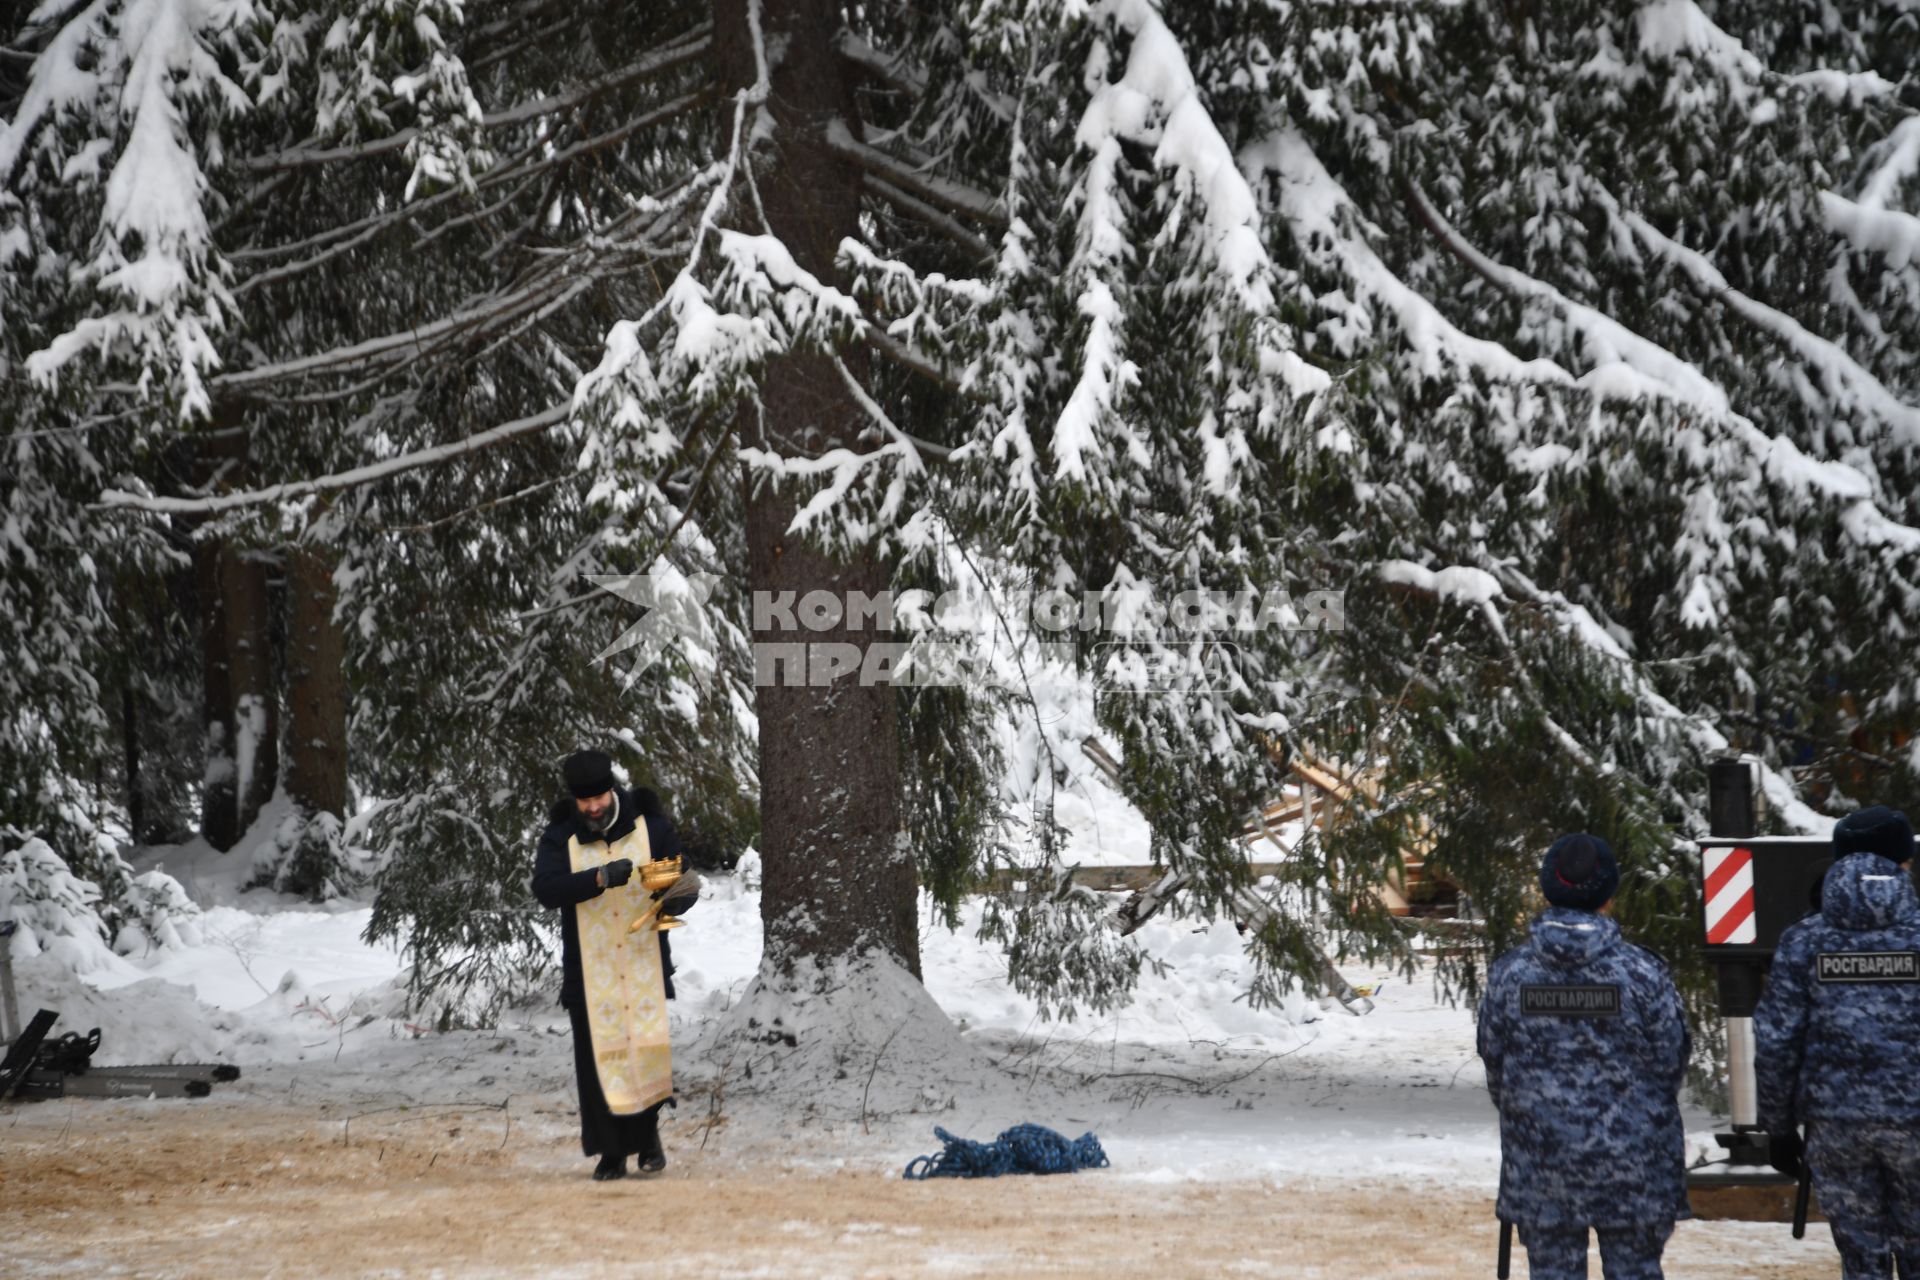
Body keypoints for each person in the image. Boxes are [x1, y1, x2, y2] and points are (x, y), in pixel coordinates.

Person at [1477, 833, 1691, 1279]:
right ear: (1609, 895)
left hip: (1542, 1165)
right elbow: (1670, 1062)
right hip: (1633, 1166)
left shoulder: (1509, 973)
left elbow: (1495, 1064)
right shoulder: (1642, 972)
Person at [1754, 805, 1920, 1280]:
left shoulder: (1803, 942)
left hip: (1836, 1129)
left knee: (1860, 1258)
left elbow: (1777, 1040)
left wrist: (1779, 1127)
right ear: (1904, 863)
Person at [531, 748, 697, 1181]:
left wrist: (679, 895)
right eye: (584, 802)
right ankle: (610, 1153)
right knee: (598, 1062)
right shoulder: (562, 835)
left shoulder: (648, 824)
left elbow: (684, 876)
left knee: (644, 1053)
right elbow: (545, 889)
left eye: (598, 799)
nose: (592, 808)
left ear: (611, 790)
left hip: (642, 963)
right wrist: (599, 878)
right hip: (589, 973)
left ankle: (649, 1142)